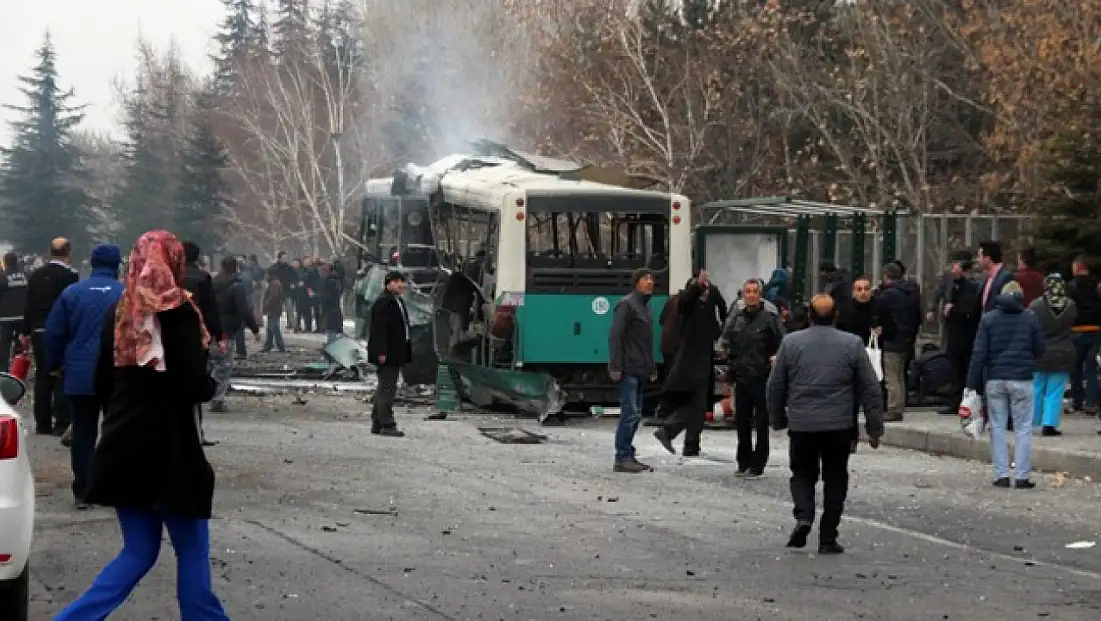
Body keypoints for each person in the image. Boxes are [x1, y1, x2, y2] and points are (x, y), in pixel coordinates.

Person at [53, 230, 230, 621]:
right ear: (174, 262)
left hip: (121, 448)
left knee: (137, 552)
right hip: (170, 453)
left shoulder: (119, 313)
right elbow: (190, 384)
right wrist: (210, 382)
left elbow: (102, 383)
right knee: (193, 551)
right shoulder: (179, 312)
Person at [768, 294, 883, 554]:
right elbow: (870, 388)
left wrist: (777, 418)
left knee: (802, 474)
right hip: (839, 425)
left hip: (802, 424)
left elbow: (775, 385)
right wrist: (874, 427)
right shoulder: (852, 344)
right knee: (835, 478)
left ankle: (804, 515)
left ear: (809, 314)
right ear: (836, 315)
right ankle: (828, 536)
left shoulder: (791, 343)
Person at [43, 244, 124, 509]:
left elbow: (54, 333)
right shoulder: (127, 294)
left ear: (91, 263)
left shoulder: (72, 293)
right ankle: (112, 486)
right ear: (117, 265)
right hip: (117, 373)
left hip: (80, 372)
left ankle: (83, 490)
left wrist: (53, 364)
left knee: (83, 432)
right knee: (116, 431)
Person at [966, 281, 1044, 489]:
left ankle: (1001, 475)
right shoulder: (1030, 318)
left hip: (995, 378)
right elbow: (1040, 348)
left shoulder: (989, 319)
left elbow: (979, 353)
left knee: (997, 427)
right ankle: (1021, 476)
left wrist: (971, 384)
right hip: (1022, 378)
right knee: (1023, 427)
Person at [713, 278, 783, 475]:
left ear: (760, 295)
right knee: (741, 420)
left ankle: (758, 463)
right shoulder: (737, 315)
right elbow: (725, 339)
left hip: (762, 374)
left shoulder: (769, 316)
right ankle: (743, 461)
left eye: (755, 292)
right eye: (748, 292)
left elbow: (781, 341)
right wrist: (723, 354)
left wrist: (776, 357)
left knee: (761, 421)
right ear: (743, 294)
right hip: (741, 374)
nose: (751, 295)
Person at [653, 270, 726, 457]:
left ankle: (685, 441)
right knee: (697, 406)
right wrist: (698, 286)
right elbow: (687, 301)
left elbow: (720, 313)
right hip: (691, 364)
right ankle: (670, 432)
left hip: (699, 362)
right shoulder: (686, 305)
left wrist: (713, 292)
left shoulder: (705, 306)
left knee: (696, 405)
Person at [21, 237, 79, 435]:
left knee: (42, 376)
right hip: (62, 332)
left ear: (50, 251)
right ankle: (61, 422)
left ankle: (42, 422)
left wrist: (25, 331)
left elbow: (28, 304)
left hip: (38, 330)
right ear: (68, 253)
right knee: (61, 374)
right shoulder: (70, 276)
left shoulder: (36, 275)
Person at [608, 267, 656, 473]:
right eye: (646, 278)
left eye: (651, 278)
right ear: (636, 282)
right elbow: (615, 336)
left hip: (640, 367)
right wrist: (616, 366)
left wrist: (651, 366)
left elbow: (645, 342)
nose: (650, 281)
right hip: (627, 368)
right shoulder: (627, 305)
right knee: (630, 413)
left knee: (635, 415)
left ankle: (628, 453)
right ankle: (622, 456)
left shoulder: (645, 307)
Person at [181, 242, 225, 447]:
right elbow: (210, 309)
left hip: (171, 338)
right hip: (198, 338)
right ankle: (197, 432)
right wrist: (219, 335)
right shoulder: (203, 277)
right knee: (196, 384)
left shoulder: (170, 276)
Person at [211, 256, 260, 412]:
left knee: (212, 362)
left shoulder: (212, 282)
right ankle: (217, 399)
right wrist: (255, 329)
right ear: (236, 268)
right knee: (224, 365)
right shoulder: (236, 286)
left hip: (210, 327)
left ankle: (207, 394)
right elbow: (244, 310)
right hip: (227, 330)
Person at [1030, 274, 1076, 436]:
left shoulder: (1035, 306)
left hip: (1040, 352)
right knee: (1055, 390)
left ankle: (1032, 420)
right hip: (1063, 352)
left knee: (1036, 388)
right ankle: (1049, 424)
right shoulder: (1071, 305)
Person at [874, 263, 920, 421]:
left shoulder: (888, 295)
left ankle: (894, 408)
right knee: (900, 375)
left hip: (892, 339)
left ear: (886, 276)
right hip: (907, 339)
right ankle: (900, 404)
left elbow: (878, 310)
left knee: (891, 376)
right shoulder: (911, 292)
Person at [367, 270, 410, 438]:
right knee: (387, 388)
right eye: (397, 281)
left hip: (395, 351)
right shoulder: (384, 302)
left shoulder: (396, 301)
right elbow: (379, 331)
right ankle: (387, 423)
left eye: (402, 281)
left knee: (383, 387)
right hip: (387, 353)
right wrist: (381, 352)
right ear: (388, 283)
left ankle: (377, 421)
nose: (401, 284)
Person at [836, 276, 876, 449]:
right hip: (851, 359)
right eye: (859, 289)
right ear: (853, 292)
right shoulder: (846, 311)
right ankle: (852, 436)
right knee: (851, 401)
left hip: (873, 357)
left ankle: (874, 431)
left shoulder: (878, 308)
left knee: (873, 398)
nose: (863, 293)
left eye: (866, 289)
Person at [942, 256, 982, 414]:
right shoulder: (955, 285)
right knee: (956, 370)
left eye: (956, 266)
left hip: (964, 337)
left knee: (962, 370)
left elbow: (967, 312)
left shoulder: (970, 287)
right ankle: (956, 400)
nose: (953, 269)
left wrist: (951, 310)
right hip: (956, 335)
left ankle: (962, 402)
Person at [1067, 255, 1101, 416]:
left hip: (1076, 331)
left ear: (1079, 267)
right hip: (1095, 330)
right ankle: (1092, 403)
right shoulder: (1097, 285)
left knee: (1076, 368)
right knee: (1091, 367)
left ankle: (1077, 401)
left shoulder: (1071, 286)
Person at [0, 252, 28, 371]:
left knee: (3, 347)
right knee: (20, 346)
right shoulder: (26, 275)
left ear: (5, 262)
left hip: (5, 318)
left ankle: (4, 372)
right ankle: (18, 371)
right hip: (23, 316)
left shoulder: (2, 276)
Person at [977, 241, 1017, 314]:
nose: (978, 260)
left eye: (979, 256)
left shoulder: (1006, 277)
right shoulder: (987, 277)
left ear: (987, 258)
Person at [261, 269, 286, 352]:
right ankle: (269, 344)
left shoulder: (274, 283)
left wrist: (266, 304)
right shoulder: (273, 282)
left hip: (274, 308)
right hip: (274, 308)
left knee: (274, 327)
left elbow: (273, 296)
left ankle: (280, 346)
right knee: (270, 327)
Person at [321, 262, 344, 343]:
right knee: (332, 330)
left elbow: (328, 296)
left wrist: (318, 296)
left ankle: (331, 346)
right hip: (334, 309)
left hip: (331, 310)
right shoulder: (336, 280)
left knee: (331, 330)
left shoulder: (331, 281)